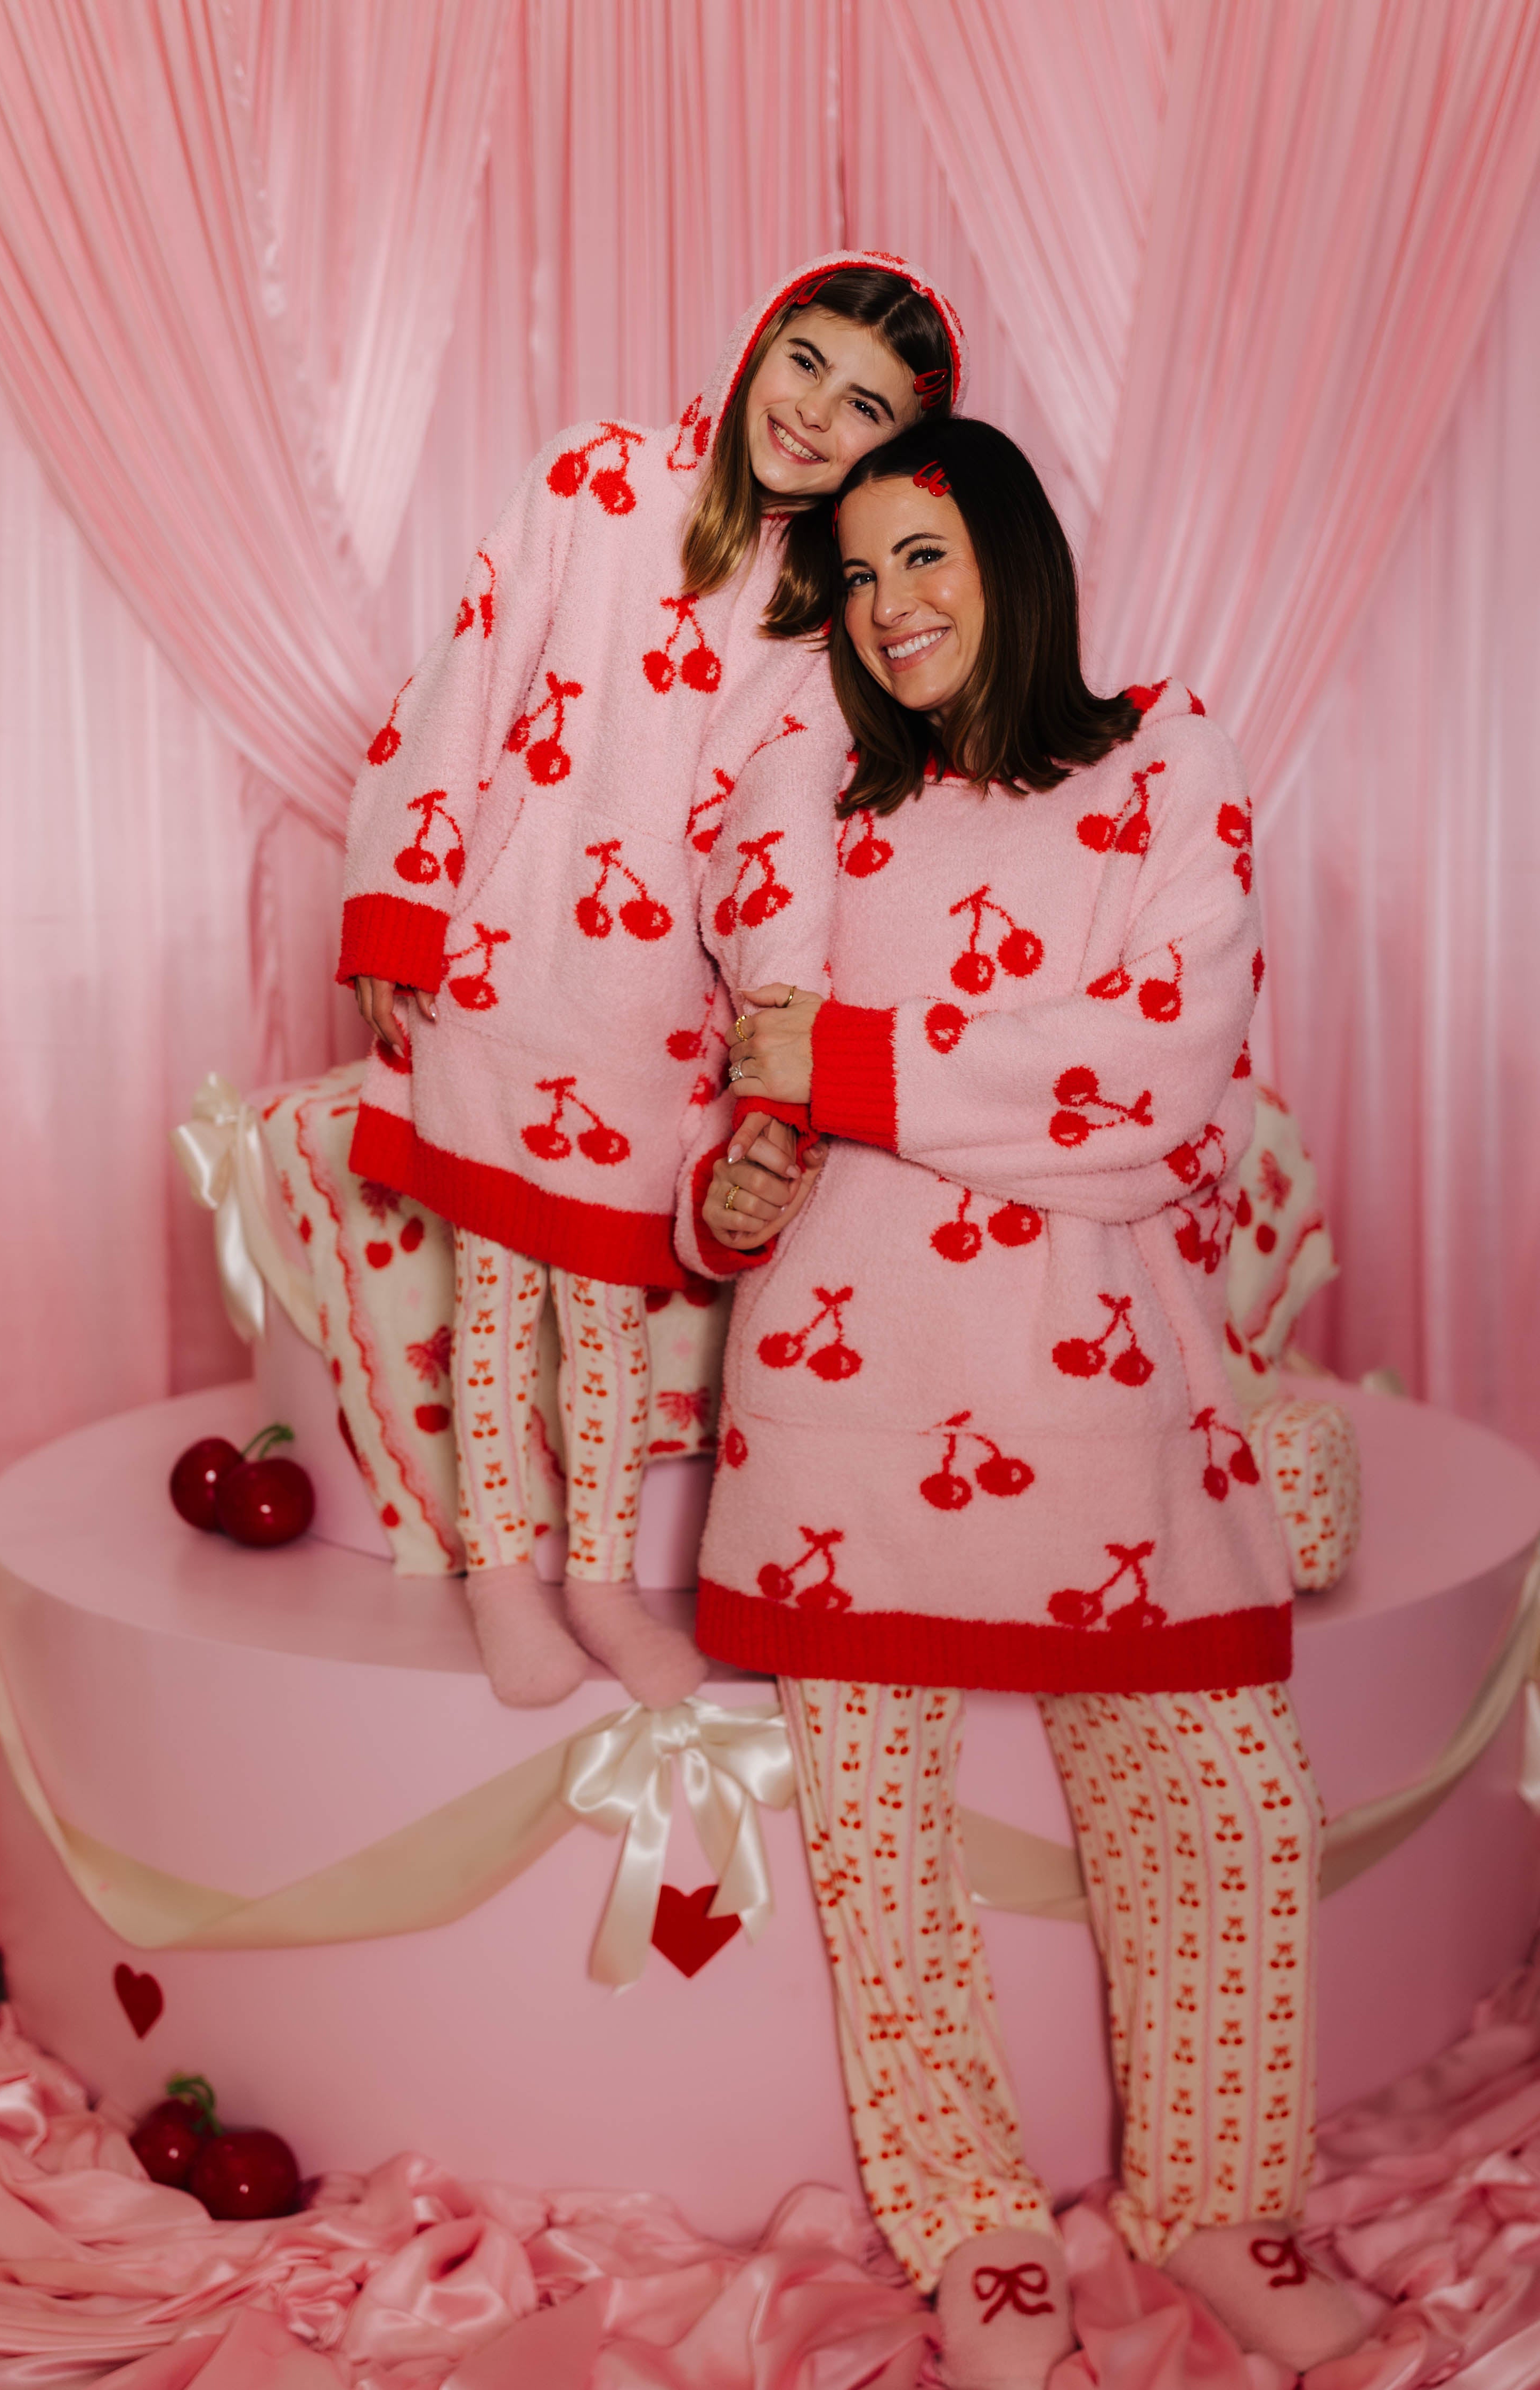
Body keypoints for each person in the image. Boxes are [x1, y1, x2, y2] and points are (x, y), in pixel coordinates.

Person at [685, 418, 1367, 2389]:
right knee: (877, 1855)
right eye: (859, 575)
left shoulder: (1166, 763)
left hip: (1107, 1404)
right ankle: (973, 2223)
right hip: (843, 1406)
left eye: (927, 555)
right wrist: (737, 1188)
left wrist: (856, 1071)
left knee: (1226, 1805)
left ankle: (1219, 2201)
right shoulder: (830, 813)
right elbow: (759, 1099)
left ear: (1017, 554)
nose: (890, 606)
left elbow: (1159, 1086)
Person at [337, 256, 966, 1709]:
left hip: (646, 1024)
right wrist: (401, 907)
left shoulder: (827, 627)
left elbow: (782, 841)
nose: (814, 412)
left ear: (898, 450)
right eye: (805, 362)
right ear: (760, 341)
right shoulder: (595, 481)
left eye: (866, 407)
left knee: (607, 1329)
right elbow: (468, 677)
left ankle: (603, 1586)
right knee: (497, 1307)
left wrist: (782, 1032)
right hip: (498, 973)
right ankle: (505, 1575)